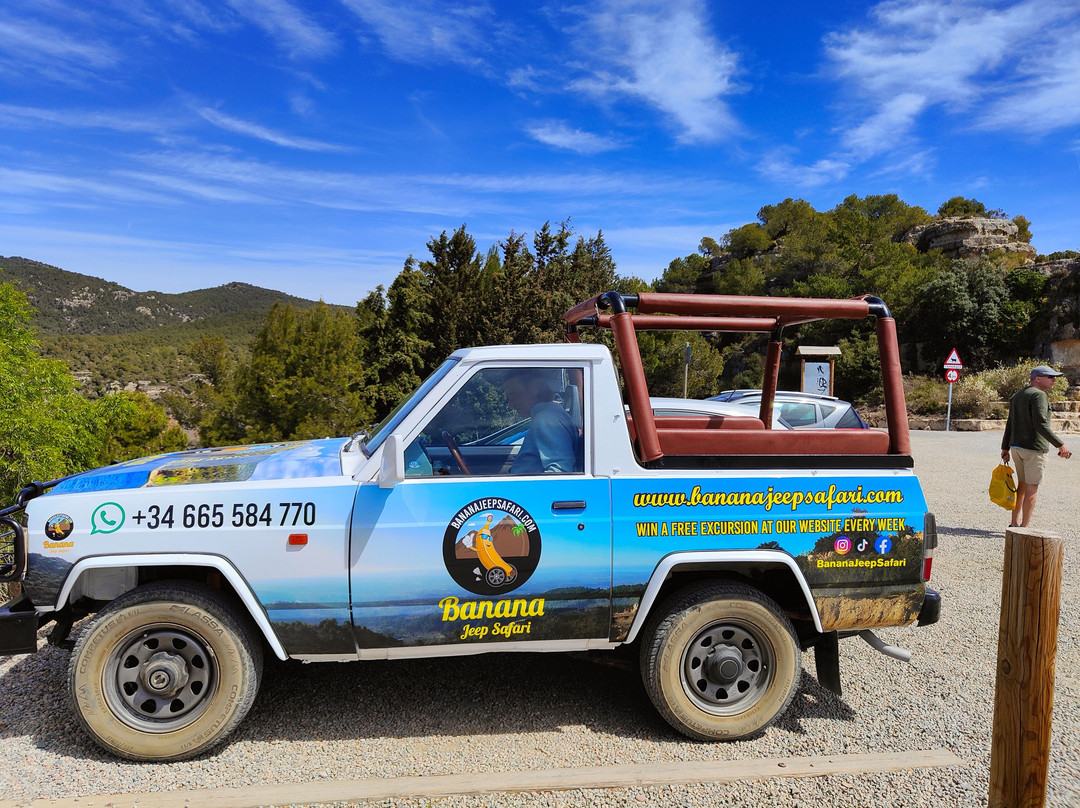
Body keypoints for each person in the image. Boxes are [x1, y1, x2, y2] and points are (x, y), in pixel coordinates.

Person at [1000, 365, 1071, 527]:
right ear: (1037, 378)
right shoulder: (1039, 395)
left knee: (1022, 487)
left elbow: (1010, 423)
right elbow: (1040, 424)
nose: (1054, 380)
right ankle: (1024, 528)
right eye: (1050, 377)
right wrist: (1060, 445)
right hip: (1034, 449)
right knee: (1032, 490)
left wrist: (1005, 447)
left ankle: (1014, 523)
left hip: (1017, 447)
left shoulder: (1017, 395)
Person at [503, 369, 579, 474]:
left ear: (534, 389)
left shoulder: (545, 419)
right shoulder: (553, 412)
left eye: (514, 394)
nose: (511, 404)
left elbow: (559, 472)